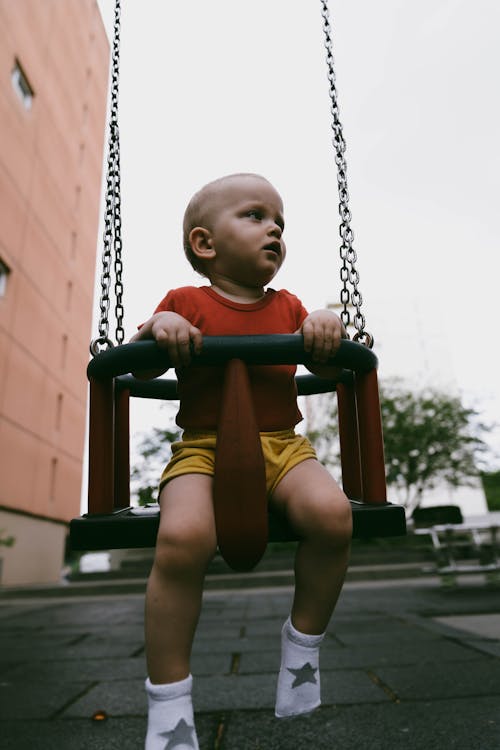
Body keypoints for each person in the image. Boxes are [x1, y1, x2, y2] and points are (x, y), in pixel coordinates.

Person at [131, 173, 352, 750]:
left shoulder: (291, 308)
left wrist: (326, 328)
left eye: (280, 221)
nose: (274, 227)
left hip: (283, 446)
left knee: (332, 516)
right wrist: (161, 328)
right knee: (182, 539)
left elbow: (330, 367)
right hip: (203, 449)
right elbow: (143, 362)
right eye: (256, 215)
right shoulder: (185, 302)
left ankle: (302, 651)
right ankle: (171, 702)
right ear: (206, 244)